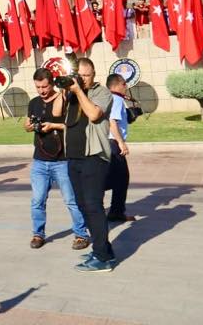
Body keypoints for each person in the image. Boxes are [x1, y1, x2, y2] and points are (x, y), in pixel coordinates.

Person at [25, 69, 90, 251]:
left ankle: (81, 234)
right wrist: (29, 126)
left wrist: (53, 126)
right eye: (38, 87)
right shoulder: (34, 102)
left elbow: (72, 125)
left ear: (52, 84)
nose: (41, 91)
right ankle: (38, 234)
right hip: (39, 160)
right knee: (37, 201)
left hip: (62, 160)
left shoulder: (65, 99)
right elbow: (27, 123)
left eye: (44, 87)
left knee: (71, 200)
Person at [63, 57, 115, 272]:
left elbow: (94, 115)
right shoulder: (71, 94)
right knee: (82, 205)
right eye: (80, 75)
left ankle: (102, 259)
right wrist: (64, 87)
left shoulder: (103, 93)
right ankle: (103, 250)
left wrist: (78, 91)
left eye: (86, 75)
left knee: (93, 206)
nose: (82, 79)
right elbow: (58, 114)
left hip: (94, 156)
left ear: (93, 75)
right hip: (73, 157)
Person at [105, 74, 135, 223]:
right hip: (113, 143)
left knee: (117, 177)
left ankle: (115, 211)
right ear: (116, 85)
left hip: (107, 142)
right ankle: (115, 212)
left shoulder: (107, 98)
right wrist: (121, 142)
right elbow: (112, 121)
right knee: (120, 178)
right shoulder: (116, 99)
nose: (126, 86)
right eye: (124, 84)